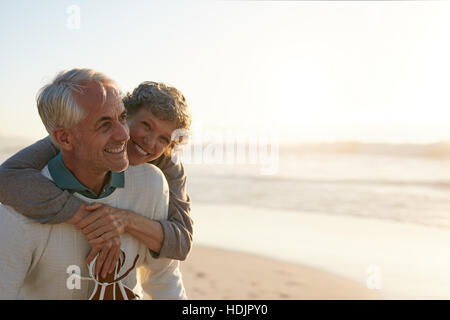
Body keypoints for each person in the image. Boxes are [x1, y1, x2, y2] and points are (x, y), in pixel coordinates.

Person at [0, 68, 186, 299]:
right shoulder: (19, 202)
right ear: (64, 139)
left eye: (121, 119)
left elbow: (170, 265)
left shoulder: (155, 180)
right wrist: (91, 221)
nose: (124, 135)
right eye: (105, 124)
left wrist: (125, 220)